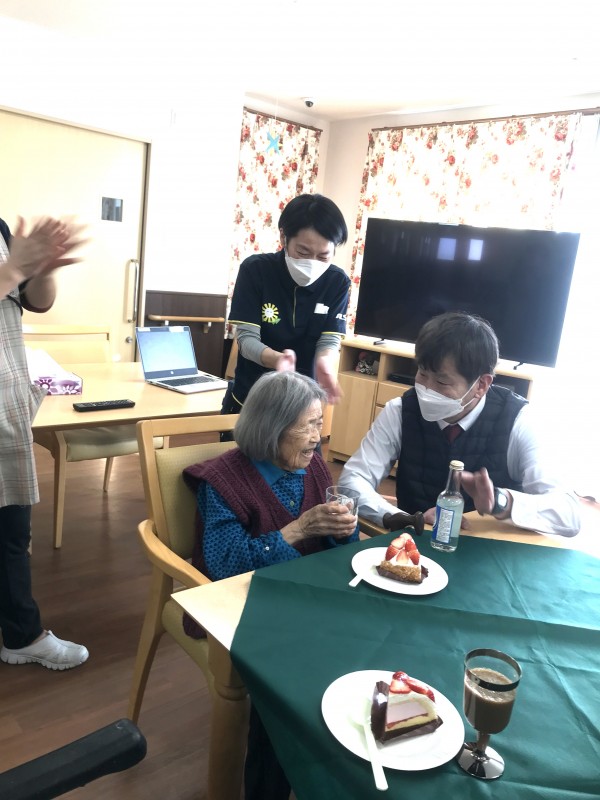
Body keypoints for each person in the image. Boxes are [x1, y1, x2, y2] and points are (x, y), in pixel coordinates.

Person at [183, 370, 358, 800]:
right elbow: (225, 565)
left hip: (311, 596)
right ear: (272, 427)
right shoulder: (224, 481)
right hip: (247, 605)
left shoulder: (311, 464)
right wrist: (297, 530)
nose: (318, 436)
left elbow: (336, 544)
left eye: (320, 422)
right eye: (309, 425)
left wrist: (344, 529)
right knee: (288, 681)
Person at [340, 311, 581, 538]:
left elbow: (568, 514)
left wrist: (501, 502)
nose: (426, 389)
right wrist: (403, 518)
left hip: (490, 554)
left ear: (481, 385)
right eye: (422, 374)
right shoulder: (400, 411)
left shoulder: (518, 420)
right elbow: (353, 480)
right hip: (416, 547)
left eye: (442, 382)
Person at [0, 215, 89, 670]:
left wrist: (43, 269)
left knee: (12, 533)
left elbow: (35, 301)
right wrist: (14, 268)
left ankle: (22, 636)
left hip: (5, 405)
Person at [223, 193, 350, 417]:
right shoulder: (256, 270)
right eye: (303, 252)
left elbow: (329, 339)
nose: (312, 263)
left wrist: (325, 363)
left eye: (323, 256)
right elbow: (246, 340)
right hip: (251, 399)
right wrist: (277, 360)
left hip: (302, 403)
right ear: (283, 236)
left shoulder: (337, 282)